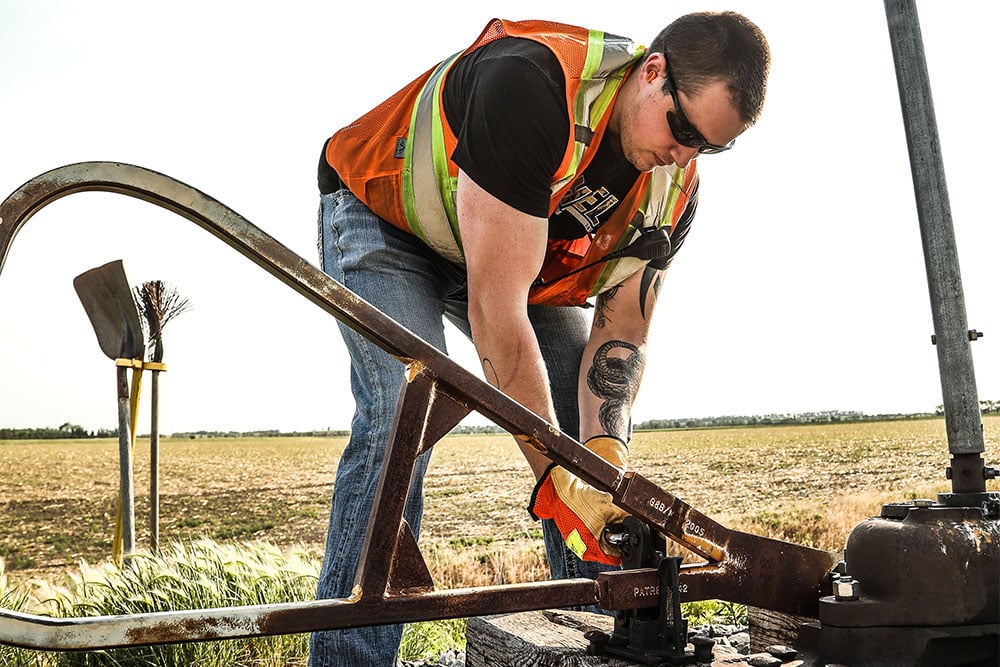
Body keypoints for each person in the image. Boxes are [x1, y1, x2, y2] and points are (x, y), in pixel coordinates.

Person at [310, 11, 770, 666]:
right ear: (653, 71)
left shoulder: (675, 191)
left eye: (710, 147)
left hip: (510, 252)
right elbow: (498, 309)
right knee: (398, 416)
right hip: (389, 216)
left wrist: (601, 462)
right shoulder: (530, 84)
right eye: (684, 129)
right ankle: (349, 658)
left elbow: (622, 333)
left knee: (590, 456)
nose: (685, 155)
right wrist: (556, 474)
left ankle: (589, 642)